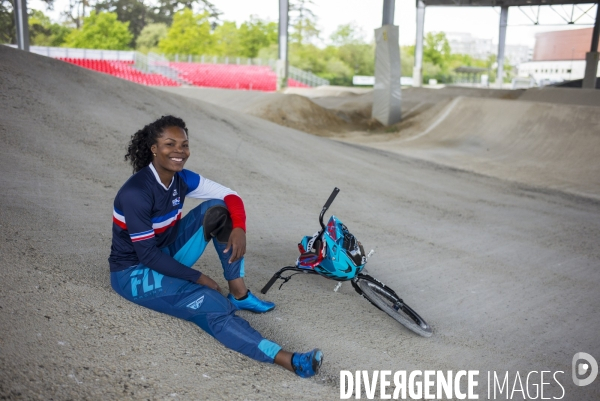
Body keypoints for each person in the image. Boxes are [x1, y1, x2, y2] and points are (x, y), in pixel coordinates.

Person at [108, 115, 322, 378]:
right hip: (133, 273)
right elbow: (147, 254)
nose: (179, 151)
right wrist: (199, 278)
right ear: (154, 148)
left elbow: (230, 195)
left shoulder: (181, 179)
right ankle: (289, 360)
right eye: (169, 144)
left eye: (184, 145)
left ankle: (239, 294)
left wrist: (239, 227)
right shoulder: (137, 192)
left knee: (218, 210)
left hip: (164, 252)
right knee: (207, 300)